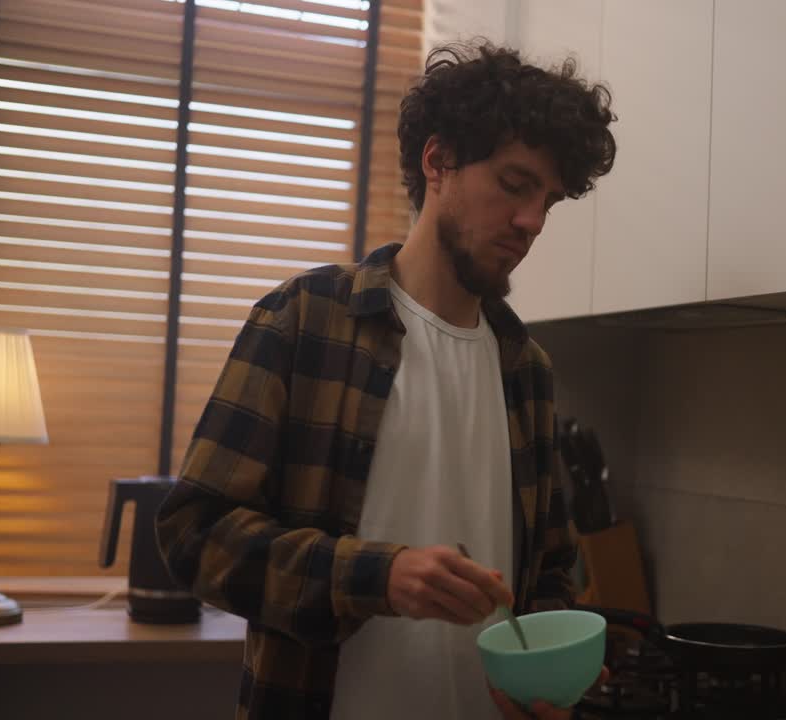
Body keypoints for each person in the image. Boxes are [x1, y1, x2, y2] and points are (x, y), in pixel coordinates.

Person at [155, 41, 616, 720]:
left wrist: (546, 680)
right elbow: (194, 534)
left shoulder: (528, 371)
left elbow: (551, 571)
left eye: (548, 200)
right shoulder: (304, 321)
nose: (532, 223)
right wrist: (378, 576)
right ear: (439, 161)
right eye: (515, 186)